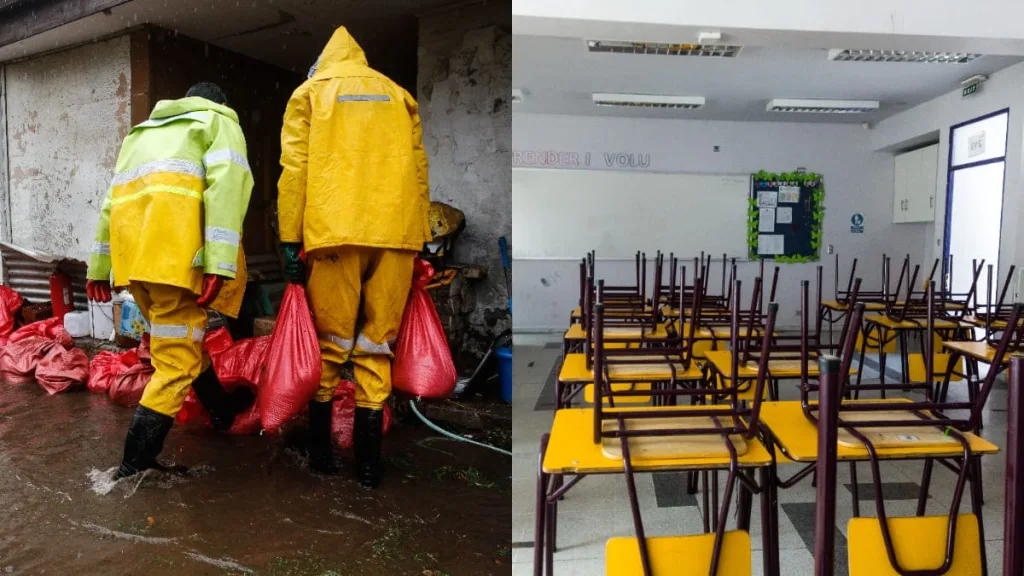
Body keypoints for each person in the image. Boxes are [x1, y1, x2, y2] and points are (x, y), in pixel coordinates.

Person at [277, 27, 430, 488]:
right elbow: (420, 169)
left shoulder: (310, 93)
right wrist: (421, 238)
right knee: (376, 345)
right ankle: (368, 467)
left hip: (333, 234)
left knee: (330, 344)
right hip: (396, 233)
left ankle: (321, 458)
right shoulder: (399, 95)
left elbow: (295, 169)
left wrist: (289, 236)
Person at [85, 82, 255, 479]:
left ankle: (220, 410)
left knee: (183, 344)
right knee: (175, 364)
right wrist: (220, 262)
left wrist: (98, 265)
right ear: (220, 103)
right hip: (177, 265)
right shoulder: (218, 121)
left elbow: (113, 203)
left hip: (138, 270)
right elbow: (228, 190)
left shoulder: (141, 135)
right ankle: (132, 467)